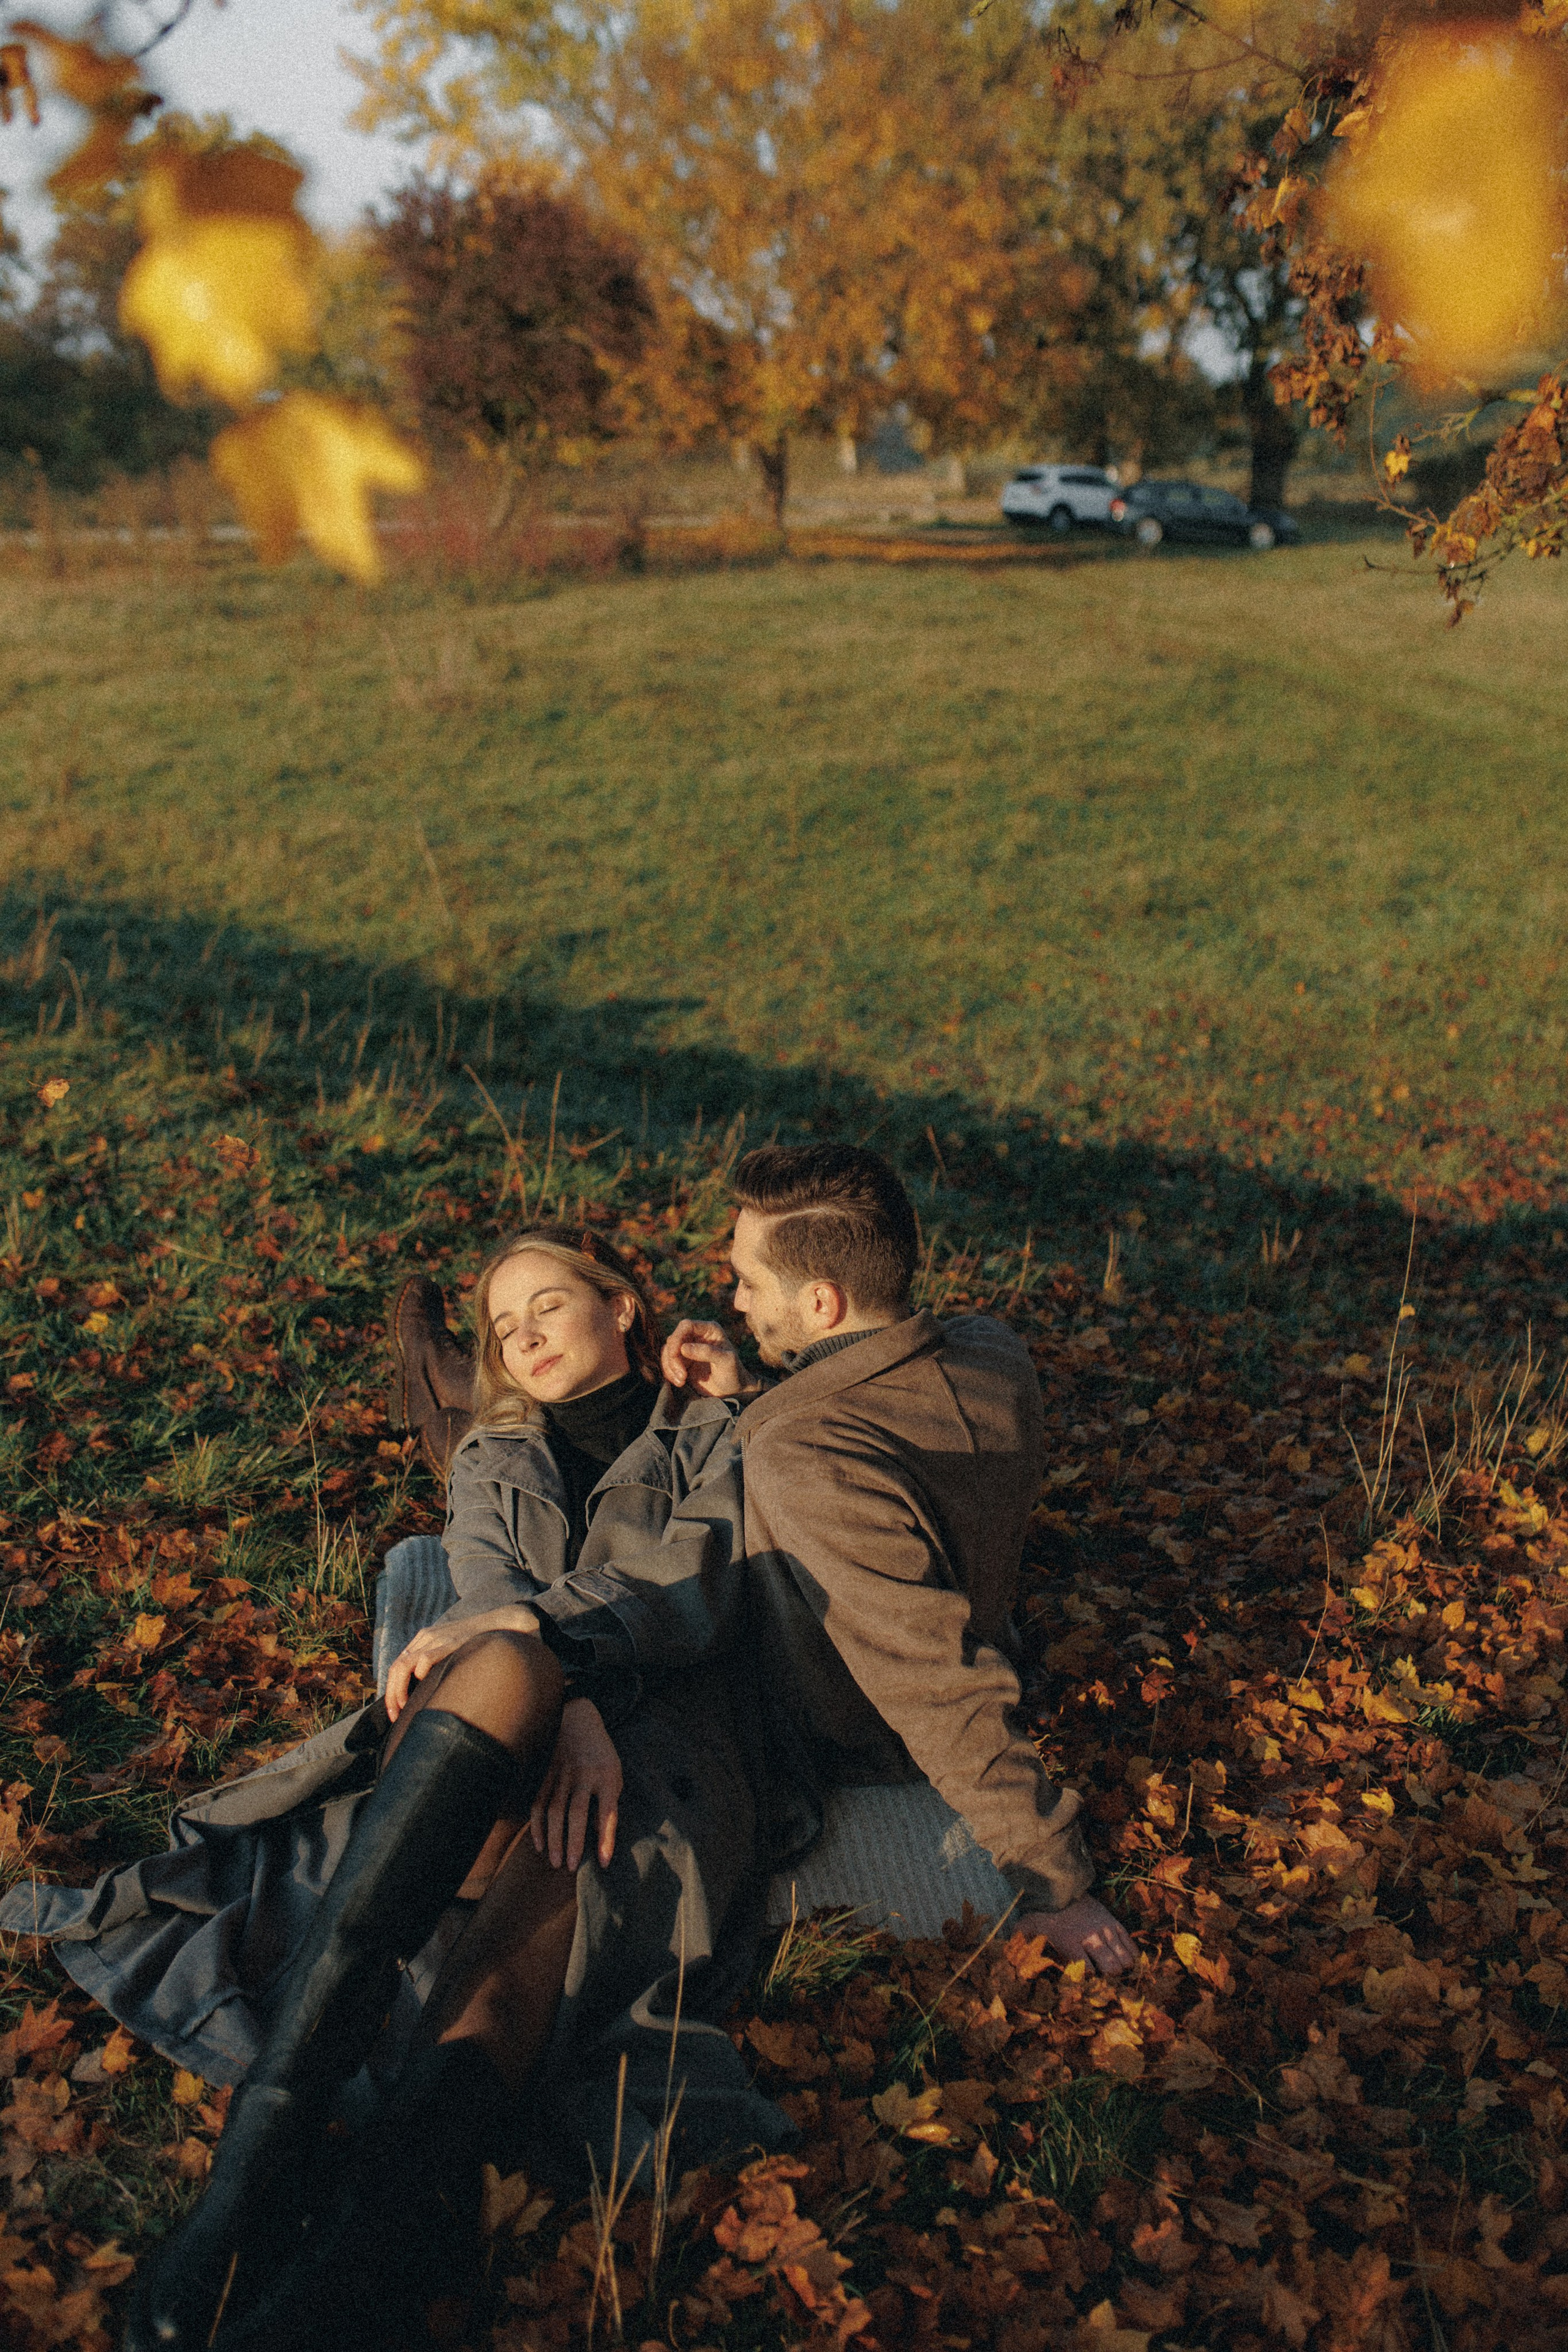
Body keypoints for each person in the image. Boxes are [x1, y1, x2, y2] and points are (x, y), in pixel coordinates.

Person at [4, 1226, 780, 2352]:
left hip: (662, 1737)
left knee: (570, 1861)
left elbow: (696, 1583)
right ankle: (257, 2163)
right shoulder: (492, 1454)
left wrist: (742, 1391)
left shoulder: (714, 1426)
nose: (524, 1337)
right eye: (503, 1329)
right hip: (522, 1714)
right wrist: (568, 1693)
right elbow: (483, 1584)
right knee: (502, 1664)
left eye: (547, 1306)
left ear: (622, 1306)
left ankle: (386, 2229)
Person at [661, 1142, 1137, 1978]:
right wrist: (756, 1398)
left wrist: (1053, 1881)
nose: (735, 1301)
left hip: (829, 1723)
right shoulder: (991, 1352)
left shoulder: (805, 1460)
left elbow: (932, 1676)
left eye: (748, 1282)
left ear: (822, 1300)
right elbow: (881, 1437)